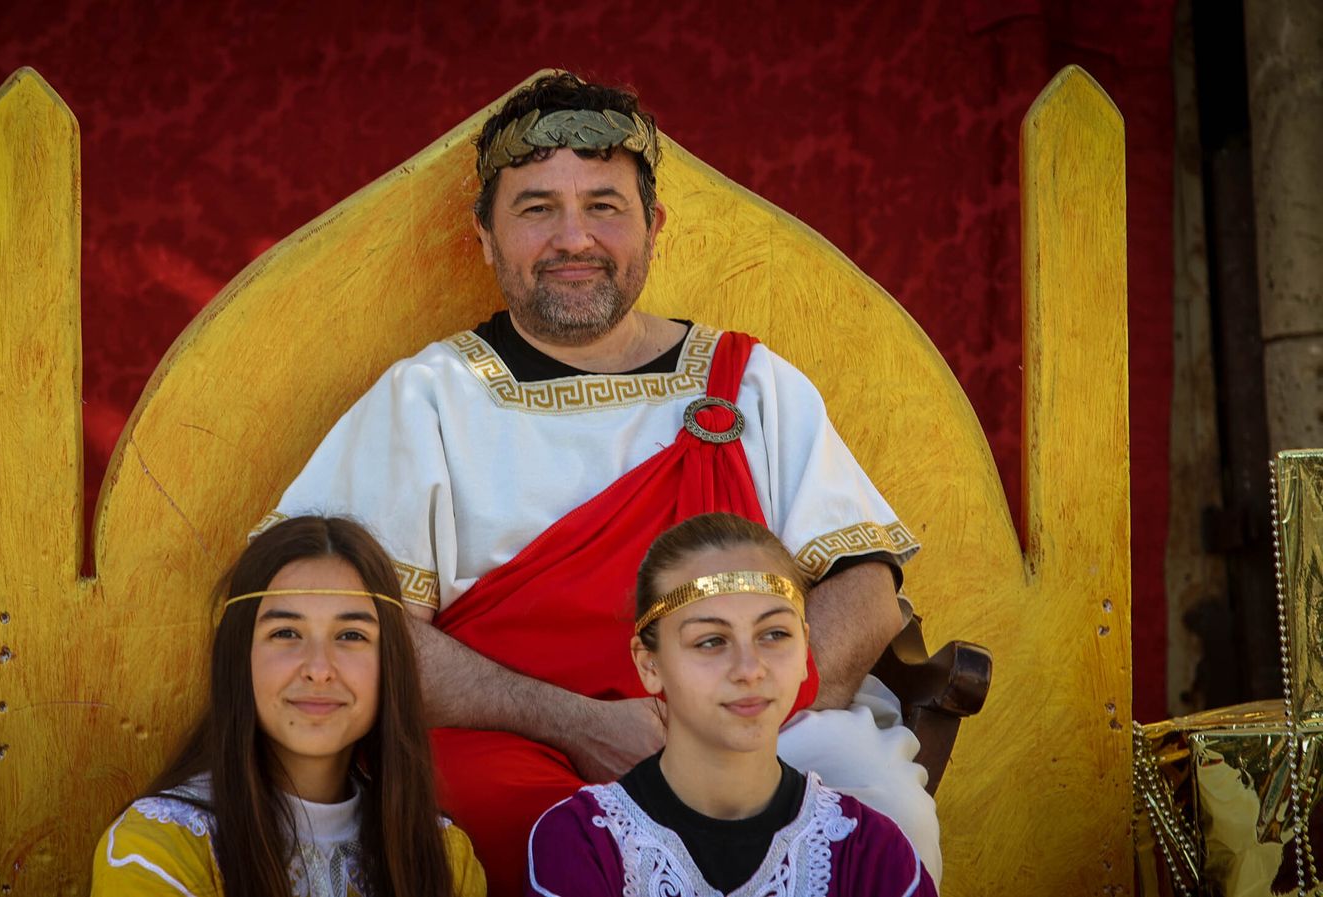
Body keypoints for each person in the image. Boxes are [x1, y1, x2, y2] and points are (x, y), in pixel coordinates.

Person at [258, 72, 939, 892]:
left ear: (653, 227)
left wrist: (726, 728)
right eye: (538, 207)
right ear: (483, 236)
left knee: (867, 797)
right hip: (514, 742)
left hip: (754, 719)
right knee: (476, 813)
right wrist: (580, 722)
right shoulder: (425, 397)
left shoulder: (750, 383)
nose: (573, 238)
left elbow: (864, 587)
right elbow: (353, 619)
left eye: (605, 207)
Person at [526, 513, 934, 896]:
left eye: (774, 634)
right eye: (710, 641)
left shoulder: (873, 853)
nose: (749, 668)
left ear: (804, 653)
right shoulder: (581, 843)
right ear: (649, 664)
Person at [91, 515, 486, 896]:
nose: (318, 669)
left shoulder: (443, 857)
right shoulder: (157, 851)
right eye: (285, 632)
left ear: (390, 663)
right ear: (238, 657)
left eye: (351, 635)